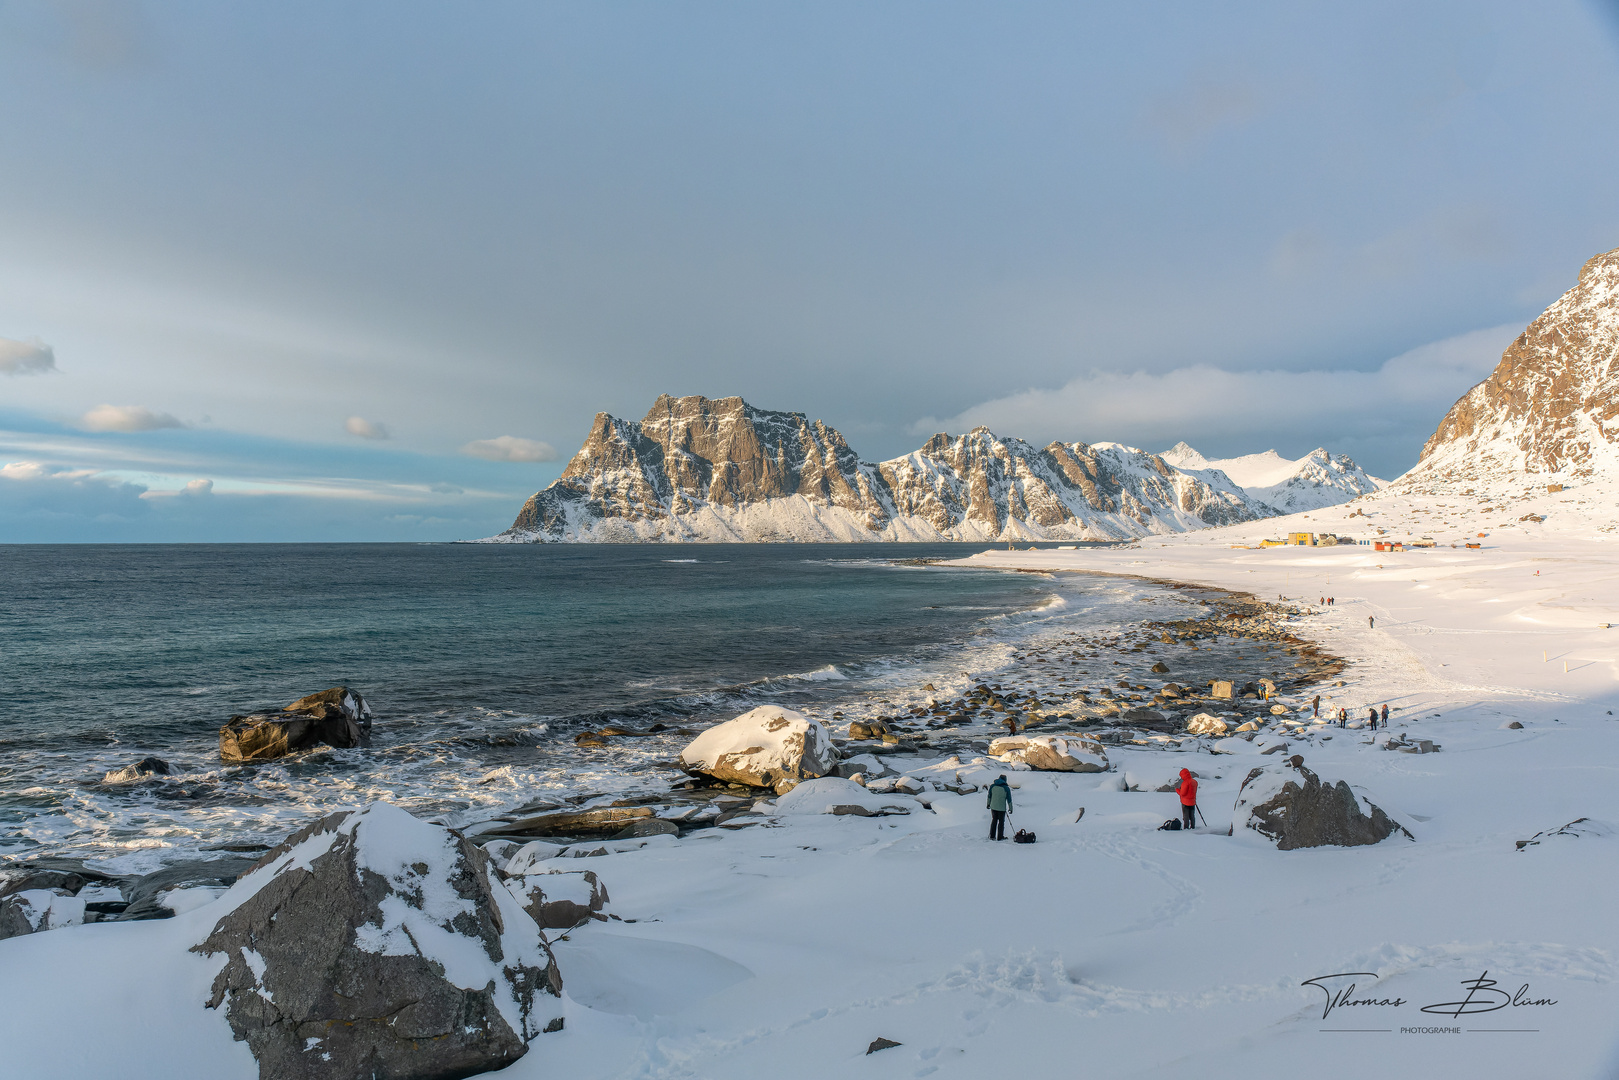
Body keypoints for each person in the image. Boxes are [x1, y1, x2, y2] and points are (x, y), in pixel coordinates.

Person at [987, 774, 1013, 841]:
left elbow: (989, 796)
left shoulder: (992, 786)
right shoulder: (1006, 788)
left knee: (994, 821)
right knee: (1001, 822)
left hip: (993, 806)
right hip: (1001, 808)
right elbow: (1009, 799)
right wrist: (1010, 808)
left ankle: (992, 836)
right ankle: (1000, 837)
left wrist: (988, 804)